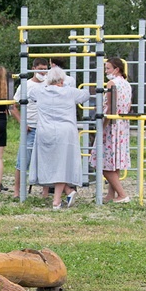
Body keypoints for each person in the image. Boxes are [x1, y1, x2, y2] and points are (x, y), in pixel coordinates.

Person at [28, 66, 90, 210]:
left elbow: (30, 94)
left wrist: (45, 83)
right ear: (62, 80)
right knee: (62, 165)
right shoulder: (69, 92)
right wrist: (67, 85)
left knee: (50, 164)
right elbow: (85, 94)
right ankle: (57, 200)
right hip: (65, 132)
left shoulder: (40, 90)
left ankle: (67, 192)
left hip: (45, 131)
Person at [90, 58, 131, 203]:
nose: (106, 71)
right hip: (122, 125)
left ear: (116, 69)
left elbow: (109, 108)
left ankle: (122, 194)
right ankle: (111, 194)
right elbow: (128, 105)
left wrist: (102, 126)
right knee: (115, 161)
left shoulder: (112, 84)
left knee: (103, 162)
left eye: (108, 68)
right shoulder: (127, 84)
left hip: (111, 125)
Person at [12, 58, 50, 198]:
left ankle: (45, 192)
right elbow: (12, 106)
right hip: (30, 127)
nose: (43, 72)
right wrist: (22, 122)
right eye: (40, 68)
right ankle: (17, 191)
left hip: (45, 127)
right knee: (23, 160)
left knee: (46, 160)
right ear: (33, 68)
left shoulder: (49, 84)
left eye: (45, 69)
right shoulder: (25, 85)